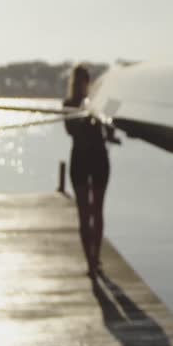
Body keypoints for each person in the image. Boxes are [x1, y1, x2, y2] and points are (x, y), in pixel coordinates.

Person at [64, 64, 111, 276]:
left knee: (97, 211)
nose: (81, 85)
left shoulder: (98, 102)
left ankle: (97, 257)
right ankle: (90, 262)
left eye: (84, 81)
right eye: (78, 81)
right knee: (84, 213)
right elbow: (71, 129)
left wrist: (106, 119)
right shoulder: (69, 104)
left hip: (99, 159)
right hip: (80, 161)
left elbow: (109, 129)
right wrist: (84, 115)